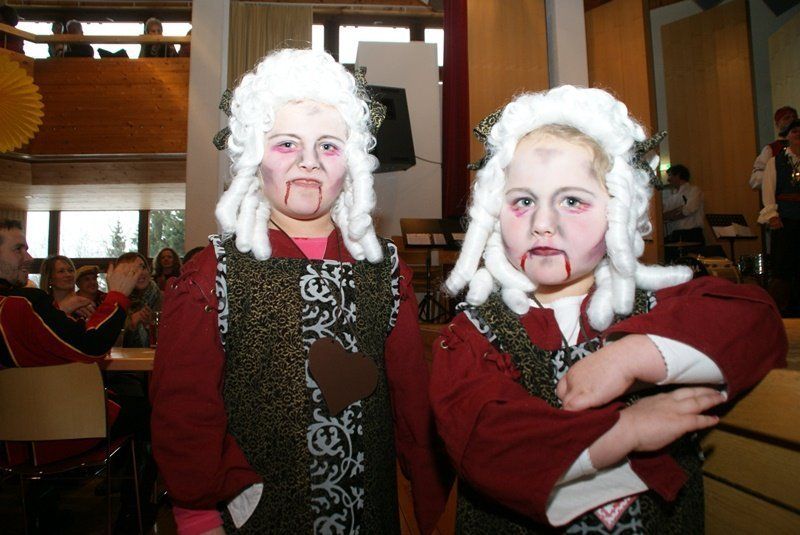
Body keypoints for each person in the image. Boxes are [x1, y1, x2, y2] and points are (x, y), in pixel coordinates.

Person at [429, 86, 786, 533]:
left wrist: (632, 356)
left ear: (620, 212)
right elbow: (484, 437)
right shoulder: (470, 336)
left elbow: (755, 318)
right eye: (523, 201)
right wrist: (623, 432)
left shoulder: (652, 307)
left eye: (572, 201)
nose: (543, 223)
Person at [150, 48, 451, 535]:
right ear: (253, 156)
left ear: (352, 162)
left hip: (368, 512)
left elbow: (412, 400)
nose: (309, 162)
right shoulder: (213, 273)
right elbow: (185, 408)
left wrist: (430, 503)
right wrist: (199, 510)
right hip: (260, 513)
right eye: (286, 144)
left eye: (328, 146)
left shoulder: (384, 269)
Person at [758, 117, 800, 312]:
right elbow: (768, 189)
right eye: (794, 131)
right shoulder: (775, 162)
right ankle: (782, 310)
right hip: (784, 220)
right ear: (787, 136)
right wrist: (772, 215)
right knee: (783, 267)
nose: (798, 135)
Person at [116, 252, 161, 348]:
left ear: (149, 270)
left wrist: (152, 325)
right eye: (132, 270)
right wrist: (130, 324)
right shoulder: (115, 303)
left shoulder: (166, 299)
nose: (140, 273)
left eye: (142, 267)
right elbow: (107, 344)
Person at [662, 163, 705, 260]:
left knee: (693, 263)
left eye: (670, 175)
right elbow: (662, 215)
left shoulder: (694, 190)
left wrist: (672, 215)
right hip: (675, 235)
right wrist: (679, 209)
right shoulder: (672, 196)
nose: (668, 179)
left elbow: (688, 210)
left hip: (692, 234)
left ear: (678, 175)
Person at [750, 106, 798, 190]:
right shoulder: (771, 149)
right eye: (786, 118)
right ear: (777, 124)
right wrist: (778, 176)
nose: (792, 120)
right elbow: (755, 180)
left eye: (794, 117)